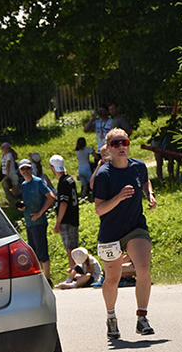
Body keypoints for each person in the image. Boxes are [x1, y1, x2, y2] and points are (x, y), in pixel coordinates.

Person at [92, 128, 157, 339]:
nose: (121, 147)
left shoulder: (138, 166)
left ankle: (142, 318)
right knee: (112, 278)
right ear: (109, 148)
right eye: (116, 144)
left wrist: (149, 194)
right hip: (111, 233)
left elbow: (145, 181)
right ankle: (111, 317)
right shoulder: (104, 174)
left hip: (135, 227)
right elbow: (100, 209)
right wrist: (119, 197)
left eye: (124, 142)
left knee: (143, 269)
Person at [17, 158, 56, 281]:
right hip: (29, 222)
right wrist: (22, 207)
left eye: (27, 168)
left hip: (39, 222)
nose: (25, 171)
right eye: (23, 169)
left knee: (41, 250)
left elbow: (51, 197)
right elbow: (27, 200)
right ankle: (39, 277)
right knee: (33, 251)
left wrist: (40, 213)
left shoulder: (38, 181)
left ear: (32, 169)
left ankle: (47, 278)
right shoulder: (24, 185)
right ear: (19, 171)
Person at [49, 155, 80, 276]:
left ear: (53, 168)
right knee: (72, 246)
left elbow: (63, 203)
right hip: (73, 217)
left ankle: (75, 272)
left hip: (67, 219)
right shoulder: (70, 179)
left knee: (70, 248)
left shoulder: (63, 182)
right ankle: (74, 269)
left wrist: (58, 223)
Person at [0, 142, 20, 208]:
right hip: (6, 174)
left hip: (11, 173)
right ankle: (13, 201)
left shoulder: (9, 155)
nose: (5, 150)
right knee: (7, 187)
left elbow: (8, 165)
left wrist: (7, 175)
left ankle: (17, 200)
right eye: (4, 149)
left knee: (14, 190)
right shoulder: (3, 155)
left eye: (7, 149)